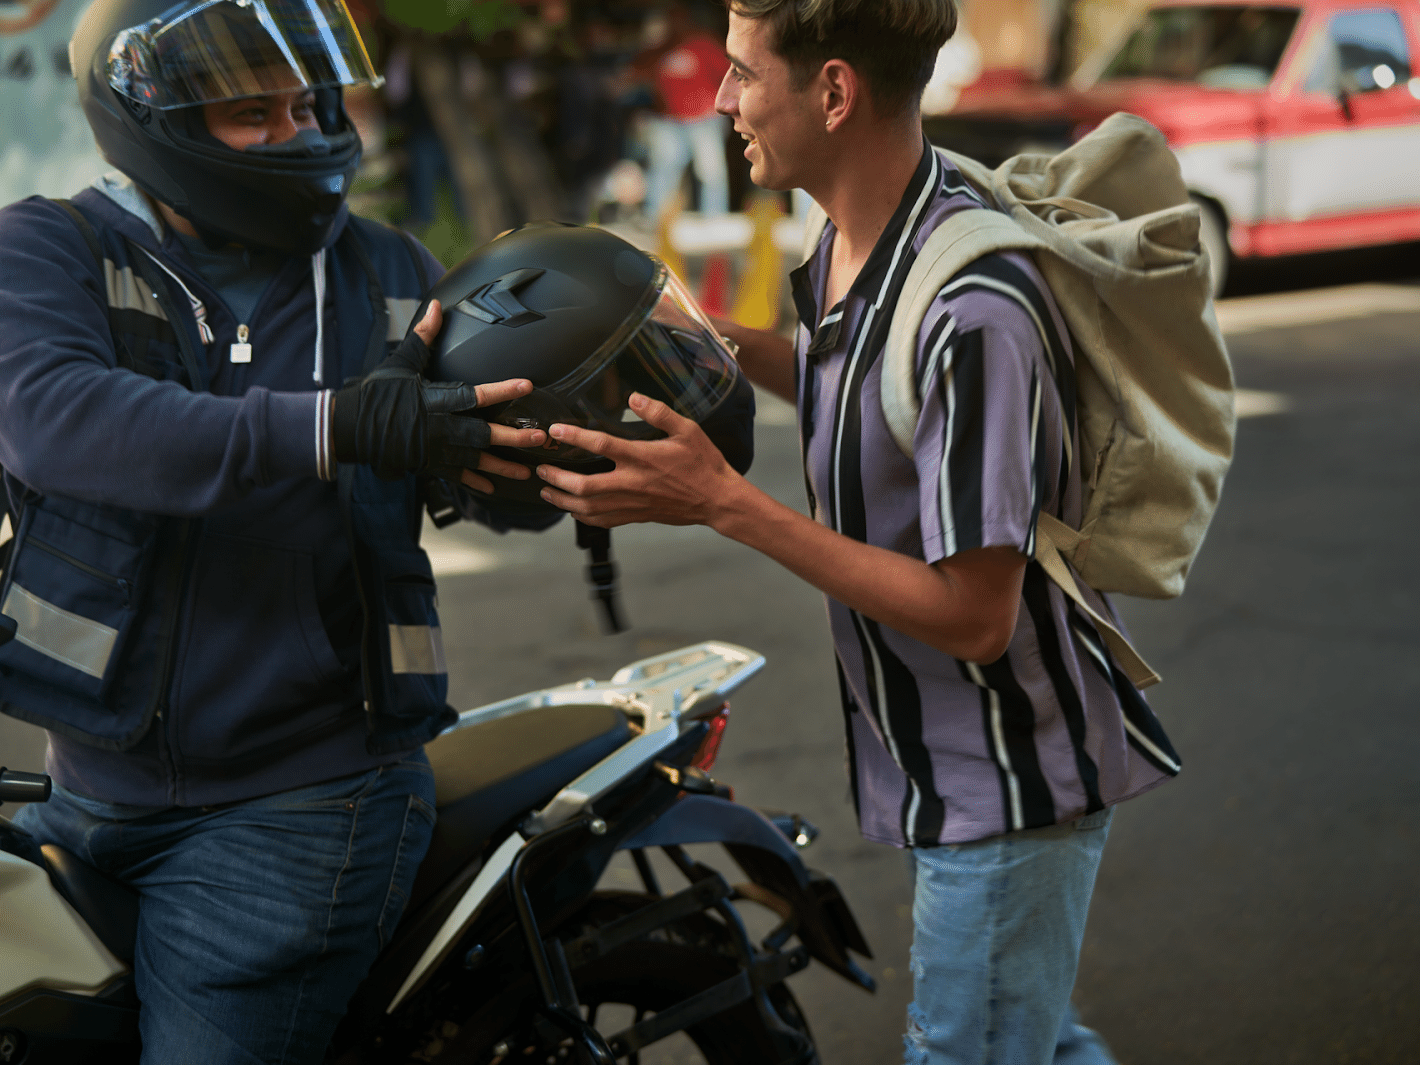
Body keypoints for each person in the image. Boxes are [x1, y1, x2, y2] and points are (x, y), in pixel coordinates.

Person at [534, 1, 1183, 1063]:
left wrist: (723, 503)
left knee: (966, 1047)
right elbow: (865, 386)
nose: (720, 98)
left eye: (744, 73)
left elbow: (975, 619)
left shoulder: (975, 312)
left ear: (833, 93)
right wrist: (702, 343)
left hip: (1003, 783)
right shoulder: (857, 235)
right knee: (1030, 1041)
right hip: (946, 765)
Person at [0, 0, 549, 1061]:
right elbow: (56, 422)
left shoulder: (391, 276)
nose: (298, 132)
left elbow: (492, 475)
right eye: (253, 111)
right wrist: (336, 428)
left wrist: (529, 462)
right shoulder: (49, 251)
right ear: (147, 120)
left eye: (309, 101)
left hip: (307, 802)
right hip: (87, 794)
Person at [630, 1, 732, 217]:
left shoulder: (704, 44)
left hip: (704, 120)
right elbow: (633, 74)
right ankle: (656, 220)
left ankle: (715, 219)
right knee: (664, 170)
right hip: (670, 121)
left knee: (711, 173)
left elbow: (728, 74)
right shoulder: (659, 48)